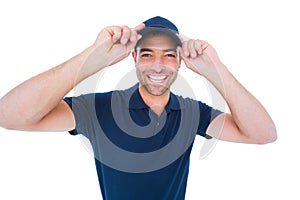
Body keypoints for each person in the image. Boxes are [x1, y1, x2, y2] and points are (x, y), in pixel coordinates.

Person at [0, 16, 277, 200]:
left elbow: (263, 134)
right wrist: (91, 59)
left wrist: (216, 70)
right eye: (148, 54)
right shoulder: (99, 108)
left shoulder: (192, 113)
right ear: (133, 58)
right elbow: (9, 116)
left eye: (169, 55)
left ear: (180, 62)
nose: (158, 65)